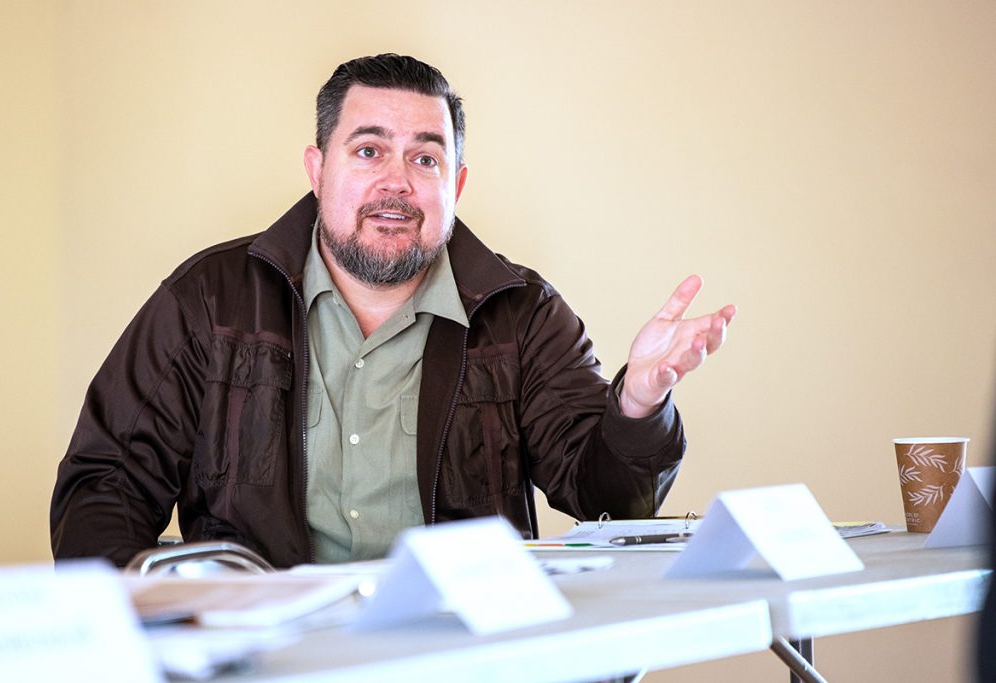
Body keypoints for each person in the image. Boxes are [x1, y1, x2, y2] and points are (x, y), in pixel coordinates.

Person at [50, 54, 736, 568]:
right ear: (319, 170)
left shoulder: (524, 314)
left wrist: (640, 405)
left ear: (456, 184)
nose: (396, 183)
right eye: (370, 149)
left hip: (461, 655)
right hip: (266, 659)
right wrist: (157, 626)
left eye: (426, 159)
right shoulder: (209, 297)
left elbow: (608, 499)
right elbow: (103, 484)